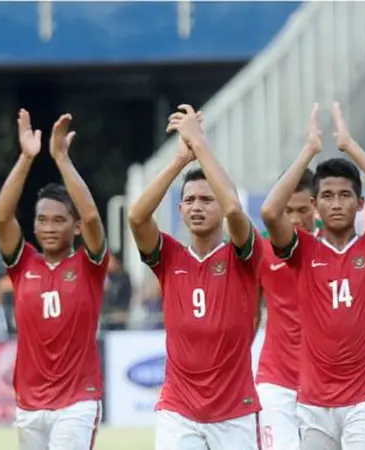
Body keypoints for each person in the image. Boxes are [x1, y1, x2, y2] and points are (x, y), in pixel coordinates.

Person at [261, 103, 365, 450]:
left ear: (360, 204)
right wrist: (309, 150)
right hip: (313, 400)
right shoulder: (302, 250)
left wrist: (349, 146)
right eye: (327, 196)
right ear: (315, 204)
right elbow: (269, 211)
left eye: (346, 195)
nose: (337, 203)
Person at [127, 104, 262, 450]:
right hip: (178, 409)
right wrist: (178, 162)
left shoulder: (242, 254)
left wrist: (200, 144)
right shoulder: (169, 257)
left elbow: (233, 206)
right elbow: (137, 218)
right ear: (180, 209)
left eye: (206, 199)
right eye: (189, 200)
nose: (197, 206)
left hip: (234, 411)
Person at [0, 109, 107, 450]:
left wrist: (61, 159)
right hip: (29, 402)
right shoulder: (22, 261)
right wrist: (27, 157)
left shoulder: (90, 264)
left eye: (59, 221)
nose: (49, 227)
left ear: (74, 228)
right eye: (42, 220)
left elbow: (90, 215)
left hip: (77, 401)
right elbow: (1, 216)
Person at [255, 165, 316, 450]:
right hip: (276, 381)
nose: (294, 219)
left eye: (302, 210)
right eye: (287, 211)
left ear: (316, 206)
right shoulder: (261, 252)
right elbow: (251, 315)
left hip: (326, 385)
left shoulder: (336, 250)